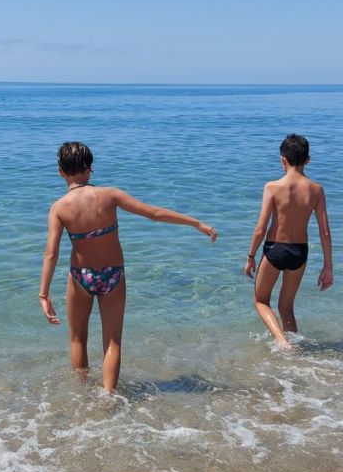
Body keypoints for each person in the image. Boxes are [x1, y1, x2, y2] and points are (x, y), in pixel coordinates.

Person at [39, 142, 217, 392]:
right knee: (113, 342)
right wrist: (195, 222)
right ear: (90, 168)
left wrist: (44, 294)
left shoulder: (59, 208)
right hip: (113, 275)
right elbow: (153, 213)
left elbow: (51, 253)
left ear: (60, 171)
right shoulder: (110, 195)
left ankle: (81, 397)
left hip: (81, 277)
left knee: (77, 338)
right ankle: (108, 397)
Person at [244, 134, 333, 347]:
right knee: (286, 306)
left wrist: (251, 256)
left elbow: (260, 228)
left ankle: (283, 342)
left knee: (260, 300)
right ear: (307, 160)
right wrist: (327, 266)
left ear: (282, 159)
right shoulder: (316, 189)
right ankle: (295, 346)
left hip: (275, 249)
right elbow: (325, 231)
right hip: (299, 252)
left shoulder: (272, 187)